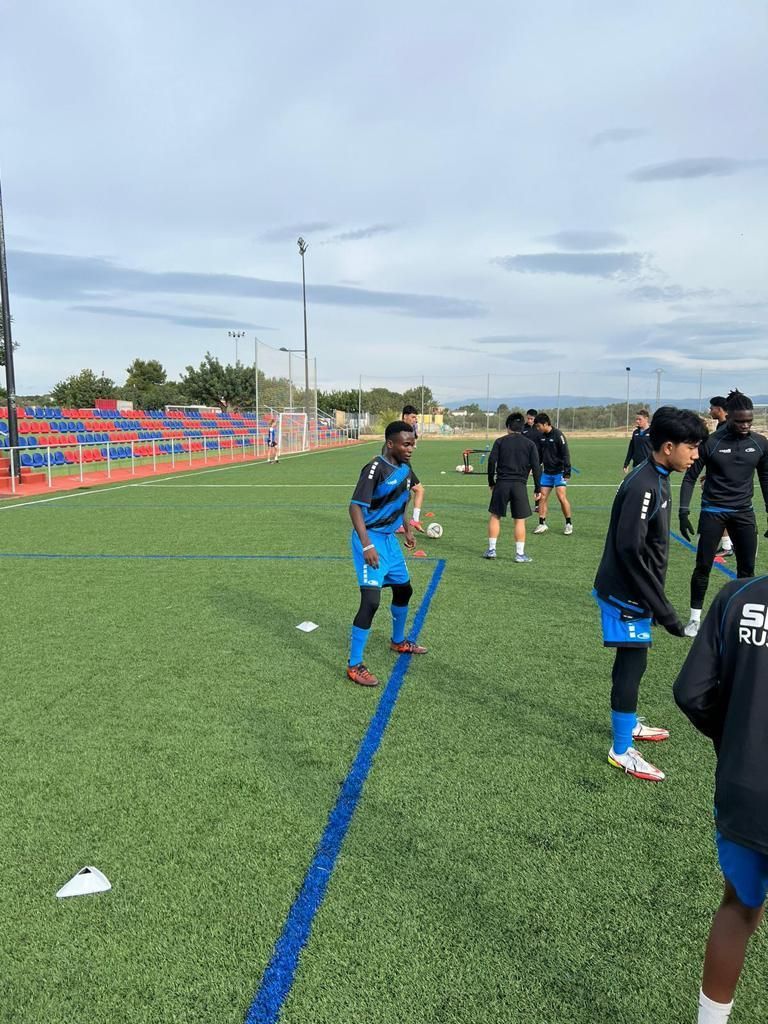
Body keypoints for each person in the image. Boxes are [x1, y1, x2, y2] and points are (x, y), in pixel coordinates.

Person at [593, 406, 708, 782]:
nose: (695, 455)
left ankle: (629, 723)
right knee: (631, 665)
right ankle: (621, 749)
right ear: (668, 446)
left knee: (635, 664)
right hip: (626, 594)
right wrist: (664, 610)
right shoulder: (644, 483)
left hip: (637, 591)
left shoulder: (658, 475)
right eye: (691, 447)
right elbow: (628, 549)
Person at [673, 573, 768, 1024]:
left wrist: (733, 740)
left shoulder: (739, 595)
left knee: (737, 907)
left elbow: (690, 690)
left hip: (744, 788)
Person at [679, 390, 768, 637]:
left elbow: (766, 478)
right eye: (740, 421)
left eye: (749, 421)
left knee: (747, 570)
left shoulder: (760, 443)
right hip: (713, 512)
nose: (745, 425)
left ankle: (738, 618)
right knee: (703, 567)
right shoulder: (712, 442)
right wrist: (683, 511)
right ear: (728, 417)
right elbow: (689, 477)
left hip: (744, 514)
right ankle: (695, 619)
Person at [347, 421, 427, 687]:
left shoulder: (405, 469)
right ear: (391, 444)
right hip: (370, 539)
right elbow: (355, 508)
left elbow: (401, 499)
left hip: (390, 541)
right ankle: (354, 665)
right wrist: (367, 544)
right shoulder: (374, 468)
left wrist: (406, 529)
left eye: (413, 443)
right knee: (370, 602)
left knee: (404, 590)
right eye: (406, 444)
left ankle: (397, 641)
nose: (411, 448)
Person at [483, 413, 541, 562]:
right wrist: (537, 488)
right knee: (519, 520)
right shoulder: (529, 444)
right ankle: (519, 554)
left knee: (495, 516)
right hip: (519, 485)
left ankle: (491, 550)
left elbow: (491, 462)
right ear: (522, 427)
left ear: (507, 426)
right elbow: (536, 467)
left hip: (502, 483)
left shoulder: (500, 442)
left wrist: (491, 482)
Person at [532, 413, 573, 535]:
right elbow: (539, 455)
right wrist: (534, 467)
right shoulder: (541, 437)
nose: (537, 428)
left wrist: (567, 472)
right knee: (542, 497)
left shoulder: (558, 435)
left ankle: (568, 523)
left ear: (546, 424)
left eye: (539, 426)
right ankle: (542, 523)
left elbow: (565, 454)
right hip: (547, 473)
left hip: (559, 472)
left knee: (561, 497)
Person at [708, 397, 732, 557]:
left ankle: (728, 546)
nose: (710, 411)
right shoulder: (721, 426)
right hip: (720, 477)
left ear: (719, 409)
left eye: (712, 408)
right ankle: (727, 544)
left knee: (725, 511)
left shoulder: (728, 428)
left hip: (727, 480)